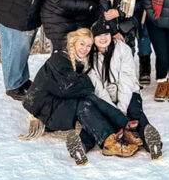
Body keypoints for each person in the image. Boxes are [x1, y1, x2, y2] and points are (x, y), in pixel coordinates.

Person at [23, 28, 140, 166]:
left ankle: (82, 146)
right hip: (45, 112)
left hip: (59, 104)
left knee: (89, 108)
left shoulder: (78, 61)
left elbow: (78, 87)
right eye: (82, 44)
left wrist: (84, 84)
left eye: (89, 45)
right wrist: (86, 83)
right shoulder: (59, 59)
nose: (85, 49)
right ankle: (115, 135)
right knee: (86, 104)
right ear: (73, 43)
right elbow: (69, 88)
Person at [87, 19, 163, 160]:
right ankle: (84, 144)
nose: (103, 38)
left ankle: (152, 142)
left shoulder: (123, 49)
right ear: (93, 38)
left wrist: (120, 110)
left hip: (128, 93)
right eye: (98, 36)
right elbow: (98, 88)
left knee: (135, 113)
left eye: (106, 34)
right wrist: (112, 111)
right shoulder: (90, 57)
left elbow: (126, 81)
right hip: (105, 97)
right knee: (103, 118)